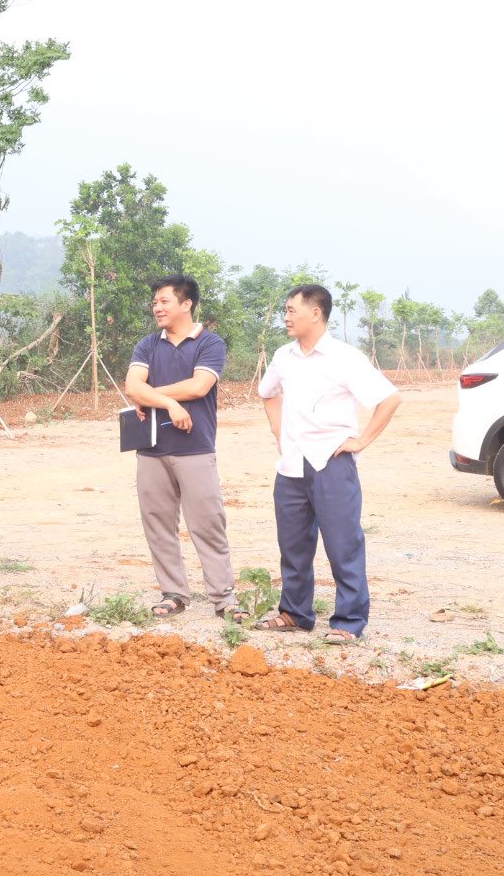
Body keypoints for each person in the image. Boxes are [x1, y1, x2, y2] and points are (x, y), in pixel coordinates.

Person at [255, 284, 401, 644]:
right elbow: (267, 394)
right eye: (285, 311)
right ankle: (295, 613)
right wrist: (278, 432)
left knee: (343, 545)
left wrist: (361, 441)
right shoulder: (284, 356)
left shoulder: (344, 357)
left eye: (292, 310)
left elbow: (389, 399)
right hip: (291, 465)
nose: (285, 317)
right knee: (293, 545)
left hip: (332, 463)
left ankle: (348, 621)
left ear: (316, 313)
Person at [123, 275, 247, 622]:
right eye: (155, 302)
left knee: (208, 523)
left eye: (164, 301)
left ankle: (223, 598)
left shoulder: (210, 343)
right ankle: (174, 593)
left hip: (195, 449)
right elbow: (132, 385)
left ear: (186, 303)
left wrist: (152, 395)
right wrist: (169, 404)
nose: (157, 308)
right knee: (158, 524)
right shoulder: (148, 344)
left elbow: (199, 386)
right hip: (150, 449)